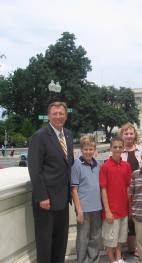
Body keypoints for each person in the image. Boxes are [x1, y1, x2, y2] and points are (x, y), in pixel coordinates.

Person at [28, 101, 74, 263]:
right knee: (45, 244)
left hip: (63, 199)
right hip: (46, 201)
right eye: (55, 113)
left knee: (60, 243)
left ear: (66, 116)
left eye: (61, 113)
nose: (58, 116)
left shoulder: (68, 134)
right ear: (49, 116)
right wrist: (42, 197)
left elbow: (69, 164)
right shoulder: (39, 136)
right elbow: (34, 169)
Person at [100, 137, 132, 263]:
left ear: (123, 148)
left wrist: (129, 207)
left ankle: (119, 257)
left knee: (120, 236)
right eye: (115, 147)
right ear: (110, 148)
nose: (118, 149)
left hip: (123, 209)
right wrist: (107, 210)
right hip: (111, 210)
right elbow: (103, 189)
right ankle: (111, 259)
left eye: (120, 147)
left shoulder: (126, 166)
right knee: (110, 237)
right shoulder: (105, 166)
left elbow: (128, 187)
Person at [71, 135, 102, 263]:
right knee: (83, 238)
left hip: (97, 207)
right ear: (81, 150)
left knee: (95, 238)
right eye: (86, 149)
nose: (88, 152)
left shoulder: (98, 165)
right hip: (84, 209)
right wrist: (79, 211)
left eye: (91, 149)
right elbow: (74, 190)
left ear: (94, 149)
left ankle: (94, 260)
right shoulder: (76, 165)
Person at [120, 122, 142, 256]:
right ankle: (123, 248)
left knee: (136, 218)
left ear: (135, 135)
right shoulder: (118, 150)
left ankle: (135, 247)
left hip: (139, 189)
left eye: (131, 133)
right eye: (126, 133)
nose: (129, 136)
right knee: (124, 219)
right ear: (122, 135)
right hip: (123, 190)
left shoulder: (141, 149)